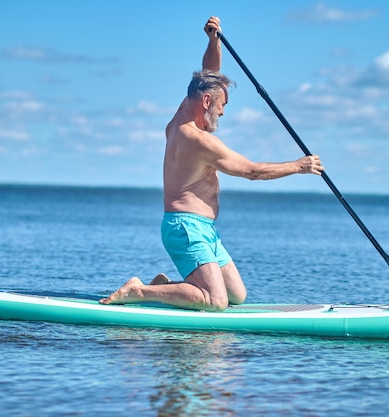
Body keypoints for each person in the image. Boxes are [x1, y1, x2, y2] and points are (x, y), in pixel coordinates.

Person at [100, 16, 324, 311]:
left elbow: (209, 73)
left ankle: (163, 289)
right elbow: (252, 172)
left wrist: (213, 40)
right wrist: (299, 166)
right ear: (207, 101)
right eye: (222, 105)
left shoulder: (180, 117)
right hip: (186, 227)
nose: (223, 112)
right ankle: (139, 291)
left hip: (204, 229)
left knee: (236, 296)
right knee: (215, 301)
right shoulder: (201, 142)